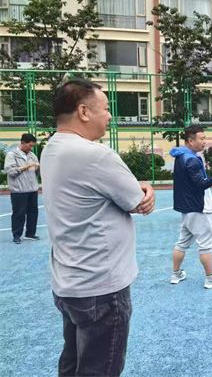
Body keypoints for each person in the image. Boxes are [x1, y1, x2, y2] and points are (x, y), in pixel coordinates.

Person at [40, 78, 155, 377]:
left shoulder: (51, 147)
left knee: (72, 363)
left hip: (70, 280)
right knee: (99, 369)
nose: (109, 115)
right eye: (105, 108)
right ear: (83, 112)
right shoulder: (95, 155)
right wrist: (146, 188)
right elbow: (137, 201)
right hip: (100, 286)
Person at [170, 125, 212, 289]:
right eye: (202, 138)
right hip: (199, 208)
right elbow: (201, 184)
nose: (204, 141)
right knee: (205, 245)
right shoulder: (191, 159)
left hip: (186, 208)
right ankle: (210, 279)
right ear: (191, 141)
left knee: (182, 243)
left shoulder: (181, 156)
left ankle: (176, 274)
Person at [4, 133, 40, 244]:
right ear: (23, 143)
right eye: (30, 145)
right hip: (19, 191)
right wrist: (27, 166)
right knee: (19, 213)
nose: (31, 148)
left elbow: (36, 172)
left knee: (33, 212)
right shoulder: (11, 155)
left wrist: (37, 168)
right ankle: (16, 235)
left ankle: (30, 233)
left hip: (32, 189)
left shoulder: (32, 155)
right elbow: (10, 172)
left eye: (32, 146)